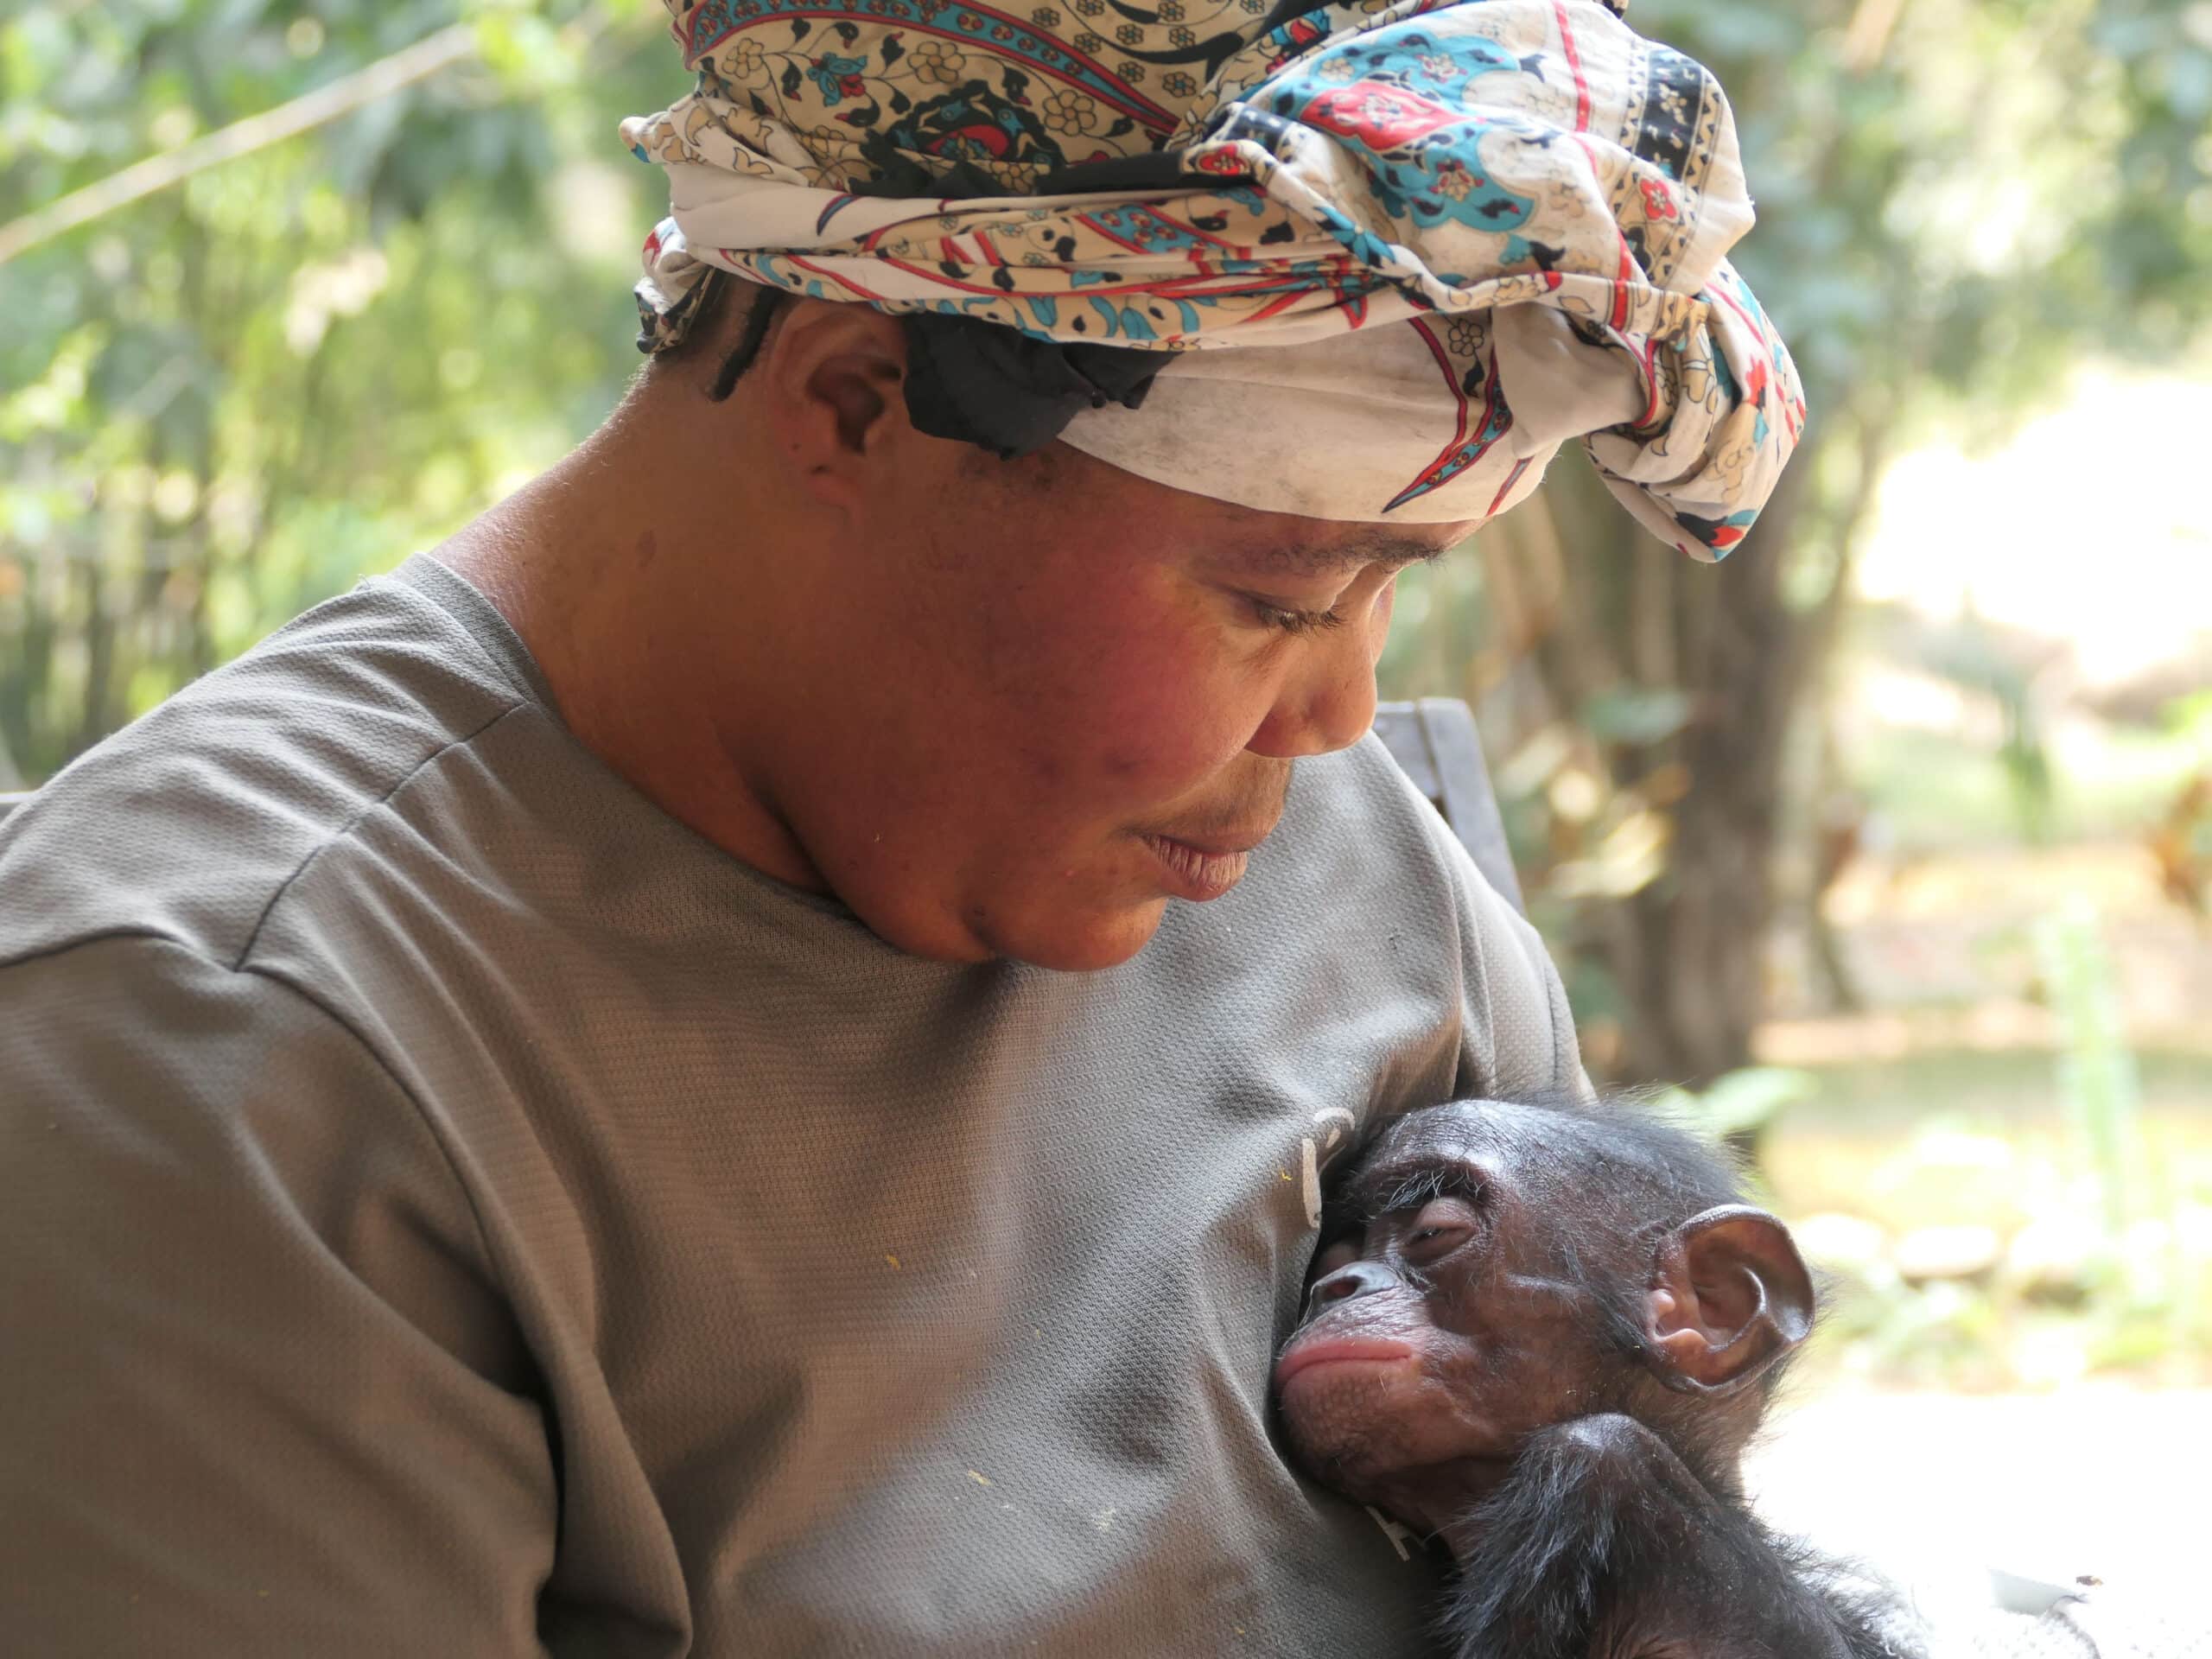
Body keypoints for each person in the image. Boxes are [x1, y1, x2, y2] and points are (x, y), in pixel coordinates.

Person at [0, 0, 1801, 1651]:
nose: (1338, 718)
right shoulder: (226, 1045)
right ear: (856, 402)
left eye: (1387, 595)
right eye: (1276, 598)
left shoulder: (1319, 862)